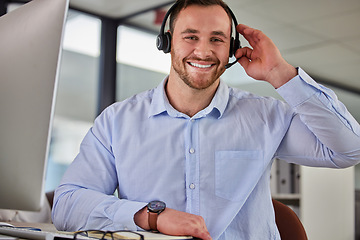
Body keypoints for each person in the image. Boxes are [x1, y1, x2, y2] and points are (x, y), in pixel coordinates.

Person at [52, 0, 360, 239]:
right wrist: (149, 216)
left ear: (232, 49)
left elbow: (349, 149)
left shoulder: (266, 116)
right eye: (190, 36)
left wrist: (281, 74)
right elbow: (67, 205)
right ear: (167, 41)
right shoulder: (117, 122)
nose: (203, 51)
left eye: (217, 39)